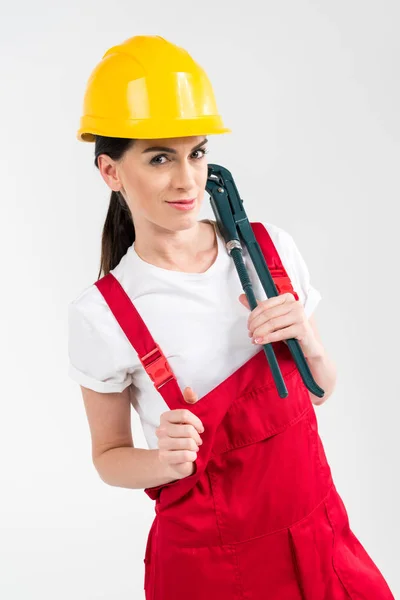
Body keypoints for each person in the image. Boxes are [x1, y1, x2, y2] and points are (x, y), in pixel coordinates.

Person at [68, 35, 394, 599]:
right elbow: (109, 459)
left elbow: (320, 389)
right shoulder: (103, 314)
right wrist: (162, 460)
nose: (187, 180)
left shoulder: (269, 253)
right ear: (110, 171)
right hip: (209, 570)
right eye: (159, 157)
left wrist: (310, 343)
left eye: (196, 152)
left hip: (318, 537)